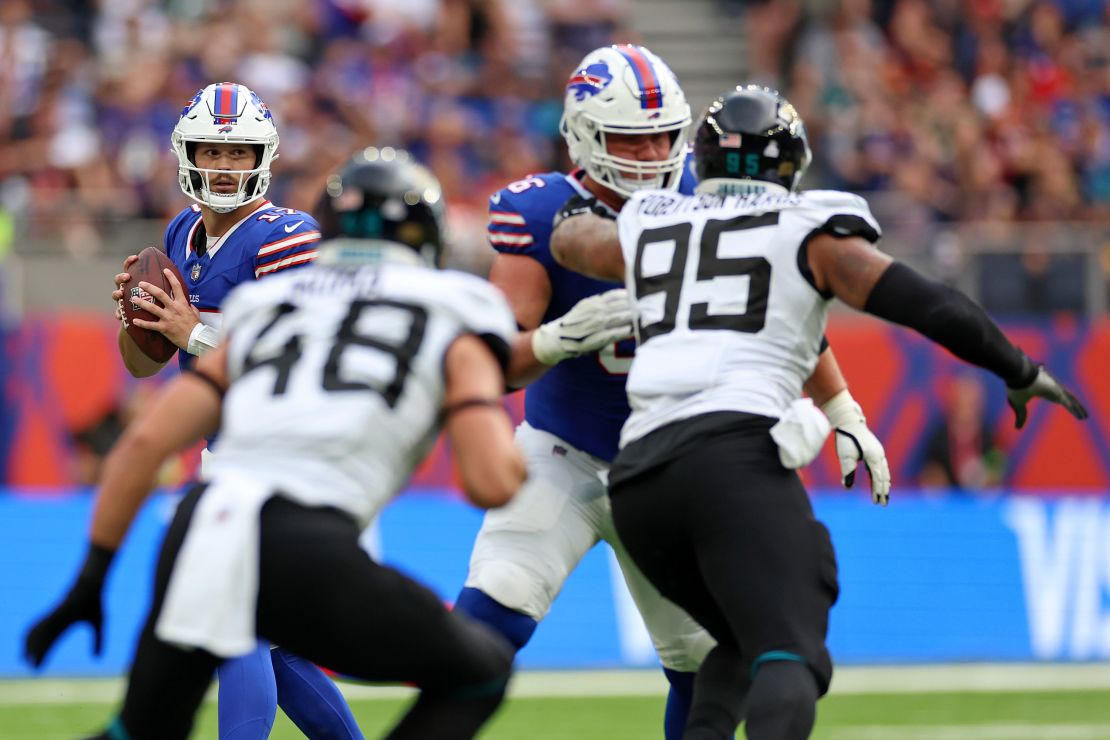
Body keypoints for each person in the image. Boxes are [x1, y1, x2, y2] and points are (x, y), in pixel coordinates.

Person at [549, 84, 1089, 739]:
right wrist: (1019, 368)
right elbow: (928, 303)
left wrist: (564, 205)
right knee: (792, 652)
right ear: (792, 162)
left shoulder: (652, 220)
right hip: (731, 458)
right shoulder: (811, 229)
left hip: (637, 480)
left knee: (743, 647)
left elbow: (574, 242)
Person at [454, 46, 890, 740]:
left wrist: (843, 408)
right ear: (583, 134)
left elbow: (777, 311)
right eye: (631, 136)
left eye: (663, 133)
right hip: (562, 452)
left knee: (700, 665)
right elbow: (493, 364)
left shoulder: (710, 195)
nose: (651, 151)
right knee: (493, 609)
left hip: (665, 466)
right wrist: (554, 340)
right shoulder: (540, 214)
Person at [22, 149, 524, 740]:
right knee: (481, 670)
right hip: (306, 529)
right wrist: (474, 396)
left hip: (204, 517)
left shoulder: (268, 305)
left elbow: (143, 443)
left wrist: (89, 580)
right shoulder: (453, 310)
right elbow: (491, 480)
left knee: (143, 726)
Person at [97, 81, 362, 740]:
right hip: (232, 455)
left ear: (261, 159)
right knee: (274, 638)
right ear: (187, 153)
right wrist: (140, 318)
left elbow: (298, 360)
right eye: (211, 149)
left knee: (230, 617)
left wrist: (192, 333)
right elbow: (144, 364)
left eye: (238, 151)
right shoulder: (182, 231)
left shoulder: (285, 236)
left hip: (291, 454)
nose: (223, 164)